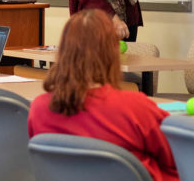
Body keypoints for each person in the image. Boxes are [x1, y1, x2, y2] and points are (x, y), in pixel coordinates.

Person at [28, 9, 179, 181]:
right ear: (112, 53)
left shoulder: (39, 108)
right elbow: (175, 159)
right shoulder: (135, 107)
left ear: (63, 51)